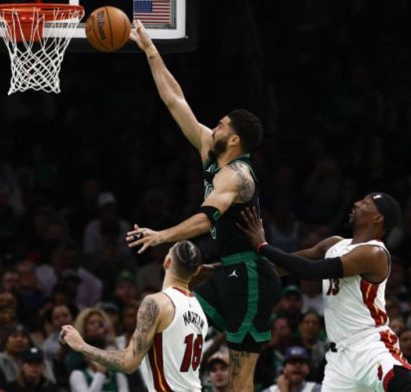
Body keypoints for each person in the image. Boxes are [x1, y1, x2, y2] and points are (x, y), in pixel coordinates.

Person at [127, 19, 281, 392]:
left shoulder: (237, 177)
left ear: (234, 140)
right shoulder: (210, 150)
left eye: (222, 124)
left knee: (239, 374)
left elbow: (205, 217)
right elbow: (174, 100)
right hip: (224, 270)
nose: (215, 126)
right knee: (179, 320)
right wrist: (150, 49)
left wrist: (163, 234)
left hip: (249, 278)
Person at [237, 193, 411, 391]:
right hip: (339, 360)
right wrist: (224, 271)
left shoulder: (374, 253)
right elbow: (282, 266)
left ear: (378, 218)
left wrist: (263, 246)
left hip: (370, 345)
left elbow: (309, 271)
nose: (356, 203)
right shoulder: (333, 244)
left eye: (365, 203)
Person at [61, 241, 209, 391]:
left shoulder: (155, 302)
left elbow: (127, 363)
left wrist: (82, 346)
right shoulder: (199, 310)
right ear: (196, 271)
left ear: (167, 262)